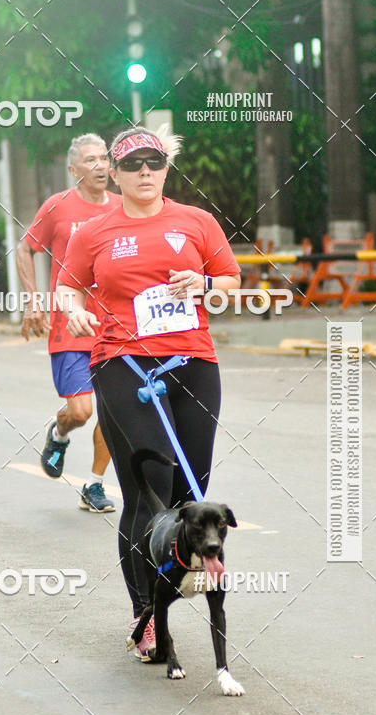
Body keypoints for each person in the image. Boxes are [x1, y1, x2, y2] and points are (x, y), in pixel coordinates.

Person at [56, 126, 241, 658]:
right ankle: (145, 616)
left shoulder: (196, 221)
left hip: (194, 364)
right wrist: (75, 309)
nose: (145, 172)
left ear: (165, 169)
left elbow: (229, 279)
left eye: (153, 163)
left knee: (189, 494)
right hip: (123, 364)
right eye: (133, 164)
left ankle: (175, 587)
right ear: (113, 173)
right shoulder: (94, 231)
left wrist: (202, 285)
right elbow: (67, 286)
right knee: (150, 487)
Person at [17, 133, 121, 513]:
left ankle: (94, 485)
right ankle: (60, 433)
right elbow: (25, 250)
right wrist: (33, 302)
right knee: (81, 412)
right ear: (73, 169)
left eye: (104, 159)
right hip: (69, 325)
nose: (100, 166)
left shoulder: (125, 208)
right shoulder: (58, 207)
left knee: (113, 411)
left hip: (115, 326)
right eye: (90, 160)